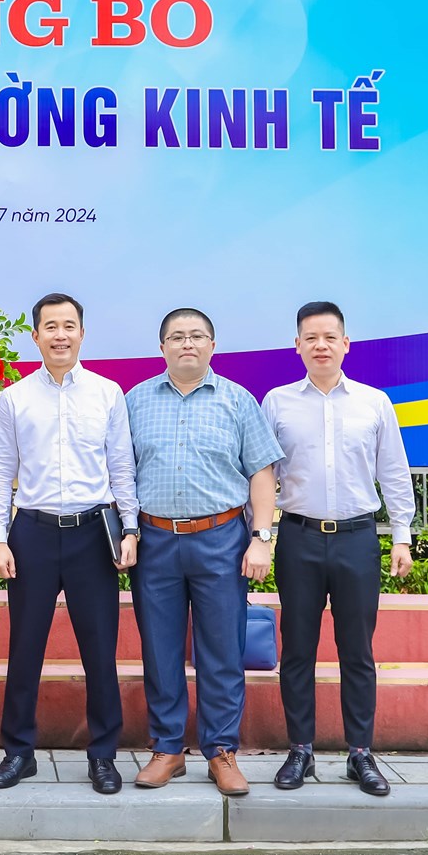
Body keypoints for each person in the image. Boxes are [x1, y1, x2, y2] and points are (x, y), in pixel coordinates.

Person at [260, 301, 417, 797]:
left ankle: (360, 753)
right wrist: (259, 537)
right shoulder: (277, 403)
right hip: (299, 538)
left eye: (330, 337)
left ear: (346, 344)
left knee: (357, 651)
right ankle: (300, 750)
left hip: (357, 540)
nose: (321, 345)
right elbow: (262, 475)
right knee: (298, 649)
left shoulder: (374, 402)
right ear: (297, 345)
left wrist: (402, 534)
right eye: (311, 337)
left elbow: (394, 471)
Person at [0, 292, 138, 795]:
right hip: (32, 532)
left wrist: (130, 529)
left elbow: (121, 466)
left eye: (69, 326)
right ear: (35, 336)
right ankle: (18, 752)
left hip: (93, 534)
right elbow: (1, 470)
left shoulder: (107, 394)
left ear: (82, 333)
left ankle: (103, 755)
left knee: (100, 649)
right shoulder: (15, 398)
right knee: (25, 647)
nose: (60, 335)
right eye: (50, 327)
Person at [126, 308, 283, 797]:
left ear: (212, 345)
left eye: (197, 336)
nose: (187, 343)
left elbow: (262, 473)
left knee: (222, 650)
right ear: (162, 347)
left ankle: (221, 751)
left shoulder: (238, 400)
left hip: (221, 539)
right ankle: (167, 748)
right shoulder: (134, 401)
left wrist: (262, 538)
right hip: (154, 540)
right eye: (177, 337)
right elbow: (120, 471)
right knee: (160, 649)